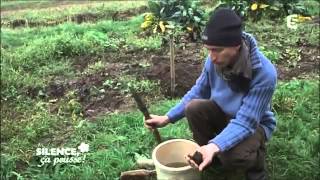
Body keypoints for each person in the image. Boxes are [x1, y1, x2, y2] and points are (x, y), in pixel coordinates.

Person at [145, 8, 277, 180]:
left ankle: (255, 164)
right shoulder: (214, 61)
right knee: (194, 108)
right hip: (224, 113)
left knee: (232, 156)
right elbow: (199, 91)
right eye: (209, 49)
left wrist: (215, 145)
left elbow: (246, 121)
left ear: (236, 45)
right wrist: (167, 117)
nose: (212, 57)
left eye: (217, 50)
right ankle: (210, 157)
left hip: (254, 124)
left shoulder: (265, 73)